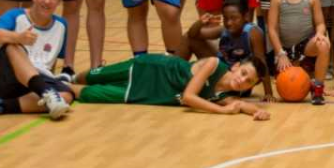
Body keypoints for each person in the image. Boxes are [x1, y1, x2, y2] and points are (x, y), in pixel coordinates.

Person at [71, 53, 270, 120]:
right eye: (244, 73)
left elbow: (241, 106)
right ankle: (68, 76)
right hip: (149, 68)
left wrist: (259, 112)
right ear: (236, 66)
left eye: (249, 81)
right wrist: (222, 111)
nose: (243, 80)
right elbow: (188, 97)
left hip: (150, 94)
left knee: (91, 93)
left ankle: (60, 86)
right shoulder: (213, 64)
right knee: (89, 76)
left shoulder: (227, 95)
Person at [268, 0, 329, 105]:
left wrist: (320, 34)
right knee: (290, 87)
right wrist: (280, 54)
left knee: (324, 44)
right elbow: (272, 29)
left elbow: (320, 24)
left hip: (305, 47)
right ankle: (301, 71)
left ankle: (317, 88)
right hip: (285, 50)